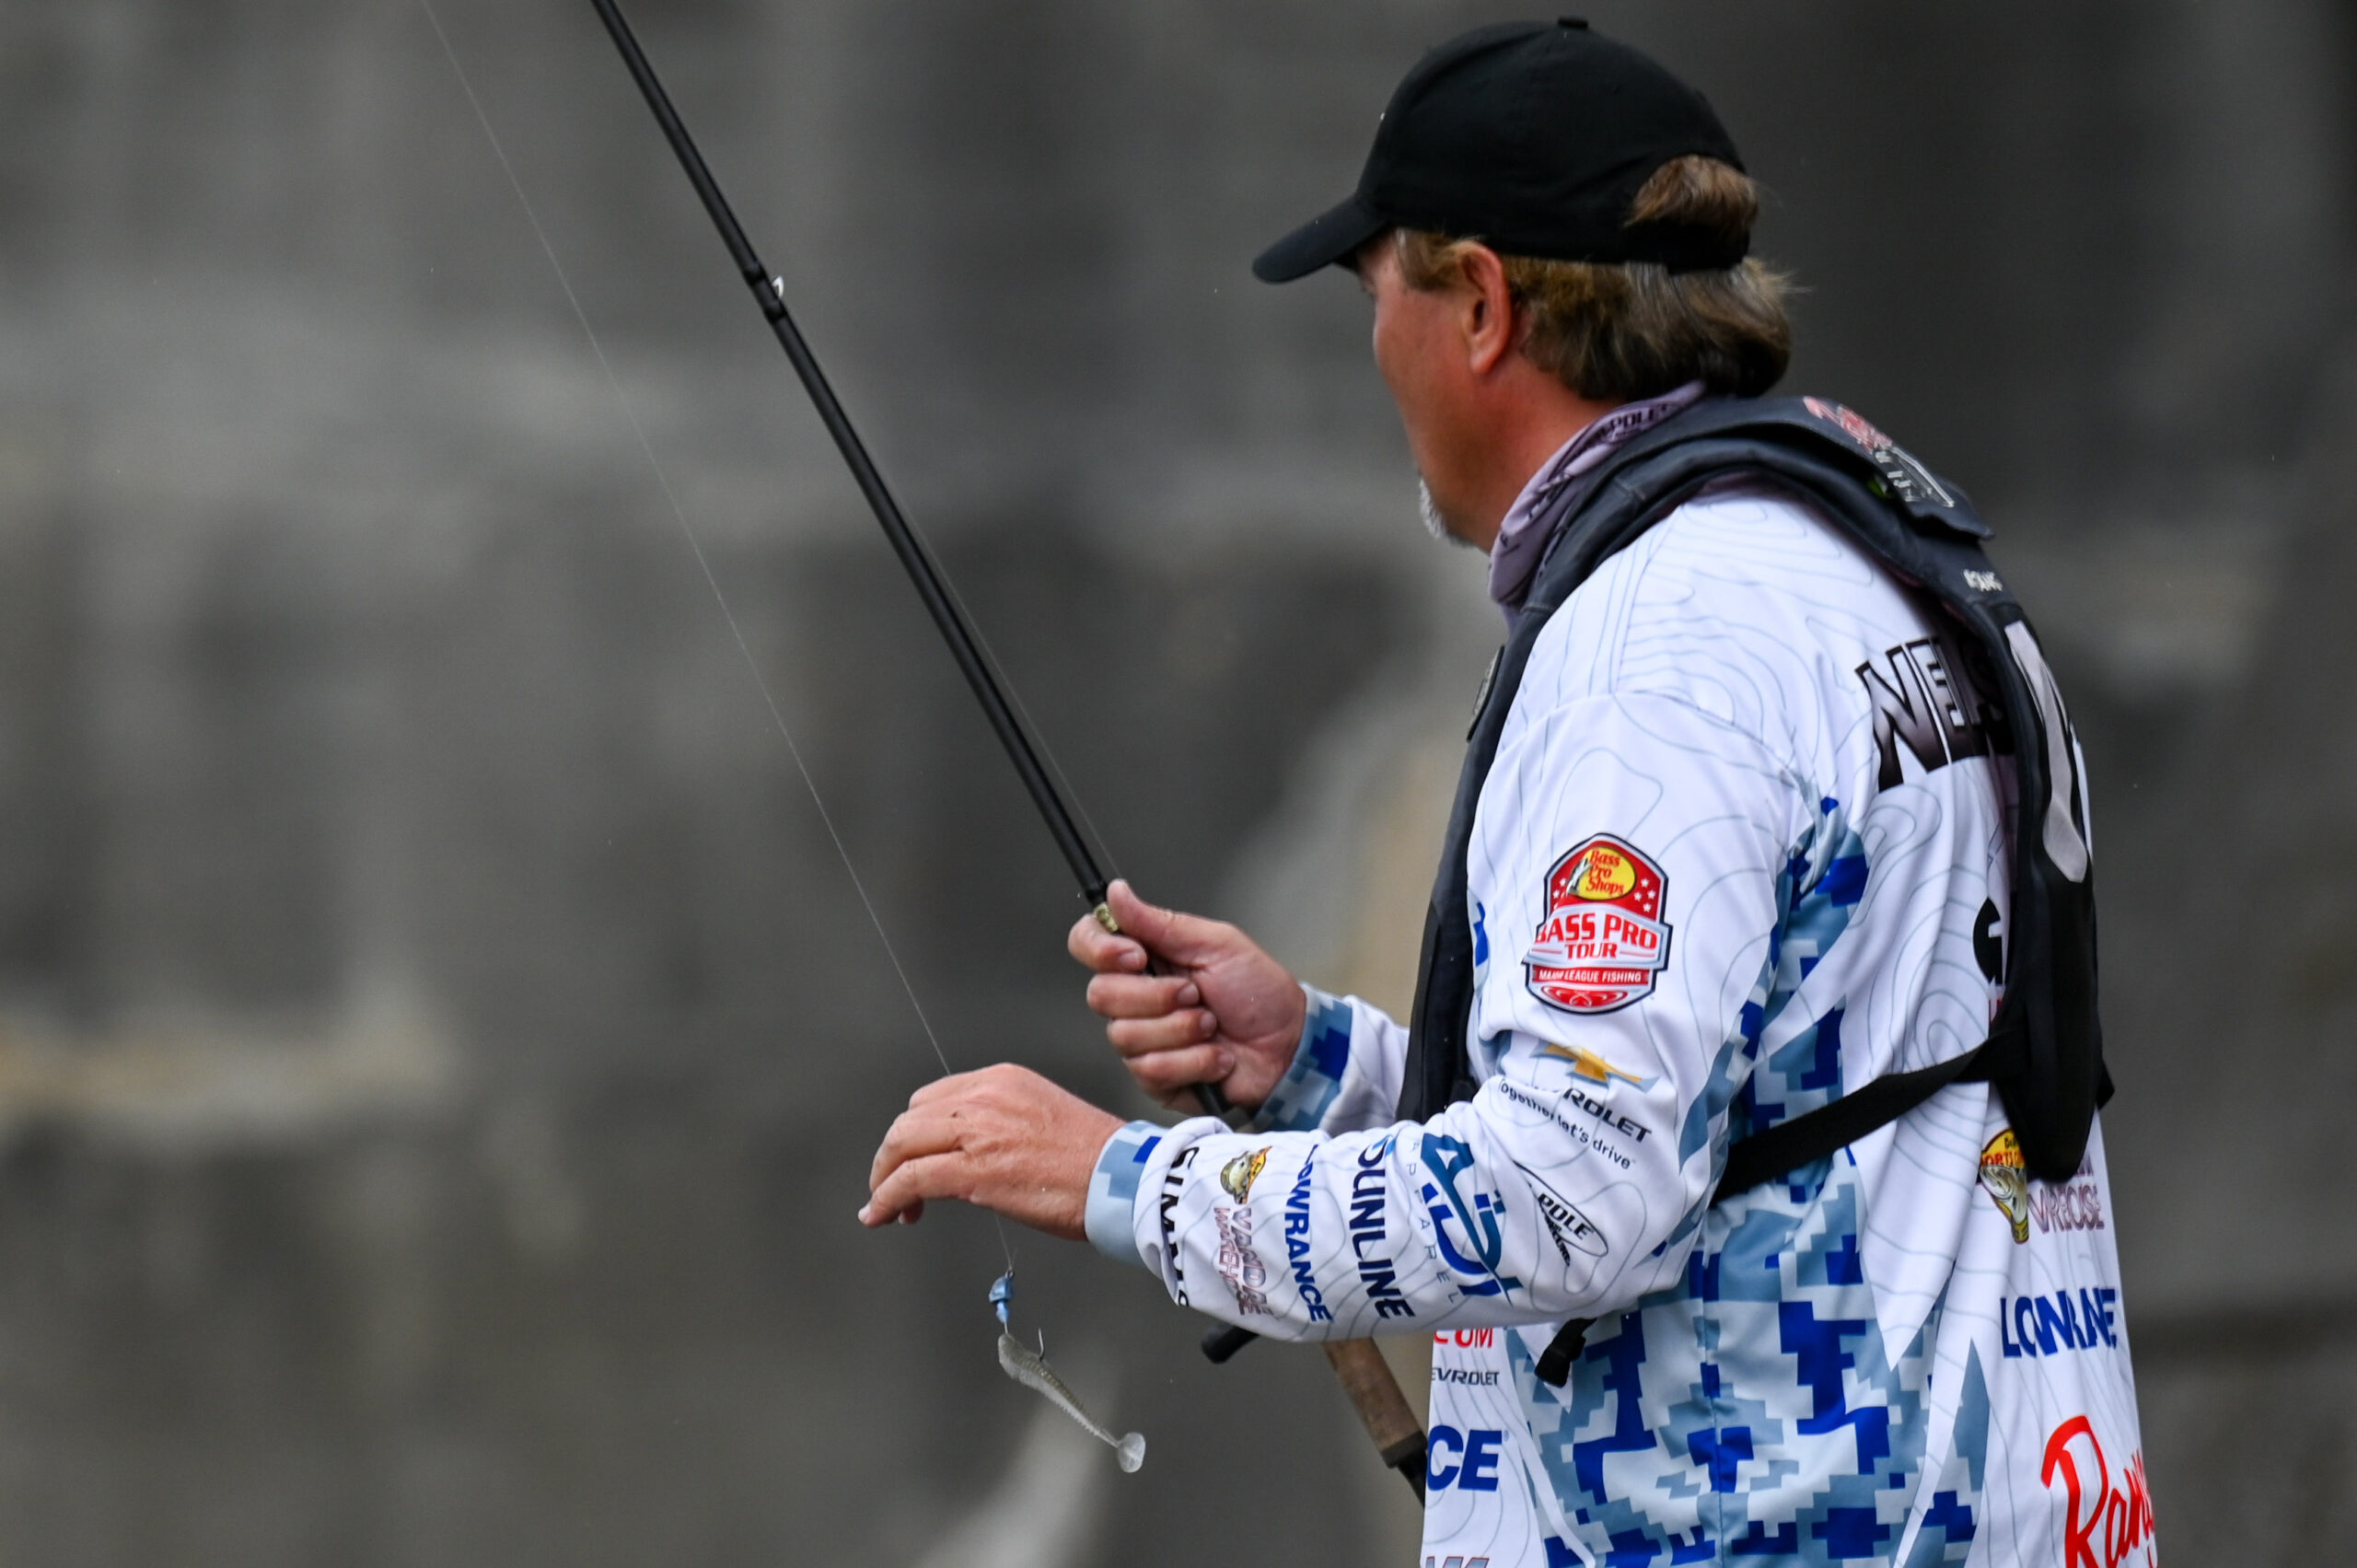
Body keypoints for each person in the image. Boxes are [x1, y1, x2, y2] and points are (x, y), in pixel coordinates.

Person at [863, 19, 2149, 1568]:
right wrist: (1320, 1064)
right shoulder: (1867, 559)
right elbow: (1753, 1105)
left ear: (1479, 305)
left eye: (1376, 296)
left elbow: (1570, 1197)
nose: (1375, 355)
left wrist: (1122, 1180)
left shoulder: (1655, 650)